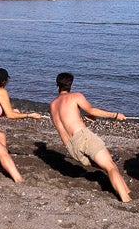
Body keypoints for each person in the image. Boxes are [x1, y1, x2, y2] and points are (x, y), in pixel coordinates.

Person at [49, 72, 131, 202]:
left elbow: (65, 121)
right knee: (110, 166)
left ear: (57, 86)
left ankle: (126, 190)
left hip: (71, 147)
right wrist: (115, 115)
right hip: (82, 138)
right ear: (71, 85)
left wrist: (81, 118)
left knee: (109, 166)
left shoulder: (52, 105)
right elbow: (92, 110)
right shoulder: (75, 96)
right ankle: (125, 199)